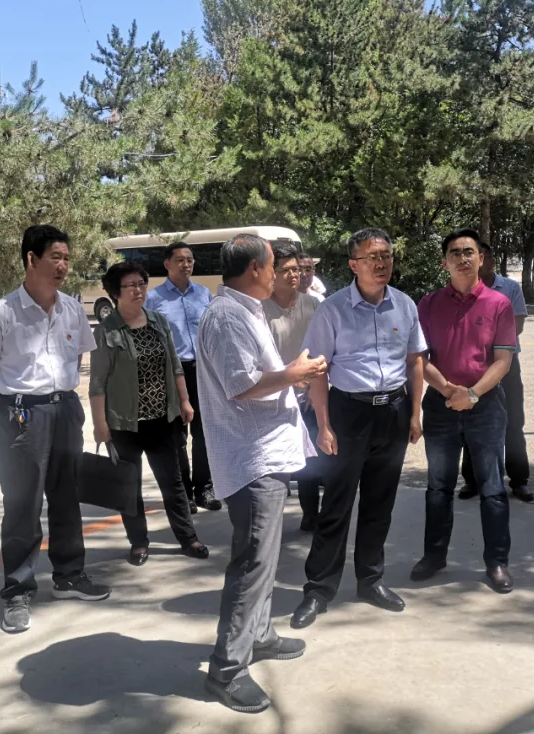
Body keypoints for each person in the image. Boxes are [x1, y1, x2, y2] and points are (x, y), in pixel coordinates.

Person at [197, 234, 328, 713]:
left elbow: (254, 375)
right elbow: (241, 385)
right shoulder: (227, 316)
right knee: (252, 563)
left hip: (267, 453)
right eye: (273, 265)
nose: (279, 273)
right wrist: (294, 374)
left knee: (265, 559)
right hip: (252, 459)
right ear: (255, 268)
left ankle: (260, 634)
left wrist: (292, 373)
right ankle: (227, 669)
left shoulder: (245, 310)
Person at [0, 225, 111, 635]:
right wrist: (13, 407)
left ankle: (69, 575)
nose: (63, 266)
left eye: (66, 258)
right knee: (22, 504)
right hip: (21, 415)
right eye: (55, 257)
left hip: (65, 409)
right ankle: (17, 590)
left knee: (67, 497)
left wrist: (60, 399)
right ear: (31, 259)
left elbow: (78, 359)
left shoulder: (71, 309)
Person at [291, 228, 427, 629]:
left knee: (379, 505)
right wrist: (324, 425)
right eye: (372, 257)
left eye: (386, 255)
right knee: (336, 505)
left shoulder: (404, 305)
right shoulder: (332, 309)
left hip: (393, 412)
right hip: (349, 413)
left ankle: (371, 580)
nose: (381, 263)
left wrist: (415, 413)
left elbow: (415, 360)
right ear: (354, 265)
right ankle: (318, 590)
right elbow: (318, 370)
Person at [412, 231, 518, 593]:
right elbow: (419, 357)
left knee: (492, 487)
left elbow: (503, 361)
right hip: (441, 405)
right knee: (438, 486)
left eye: (469, 252)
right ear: (445, 262)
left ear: (480, 259)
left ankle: (497, 562)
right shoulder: (428, 304)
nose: (462, 258)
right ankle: (434, 556)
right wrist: (448, 390)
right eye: (454, 253)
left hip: (485, 405)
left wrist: (471, 394)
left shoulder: (499, 304)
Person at [89, 260, 209, 566]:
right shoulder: (105, 331)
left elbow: (175, 365)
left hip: (162, 419)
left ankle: (188, 538)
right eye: (130, 285)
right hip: (124, 423)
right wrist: (100, 424)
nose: (138, 290)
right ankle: (139, 542)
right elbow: (97, 383)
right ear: (116, 292)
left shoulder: (158, 321)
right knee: (129, 487)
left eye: (142, 284)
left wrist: (185, 401)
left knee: (174, 483)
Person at [145, 242, 221, 511]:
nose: (186, 264)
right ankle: (184, 493)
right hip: (171, 374)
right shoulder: (153, 299)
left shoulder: (203, 294)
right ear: (167, 264)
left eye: (189, 259)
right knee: (177, 436)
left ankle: (204, 489)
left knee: (204, 433)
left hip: (202, 371)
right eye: (180, 260)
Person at [460, 242, 533, 502]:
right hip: (475, 366)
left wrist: (484, 338)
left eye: (484, 256)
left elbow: (517, 326)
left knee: (513, 423)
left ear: (490, 260)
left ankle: (519, 481)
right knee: (472, 422)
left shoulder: (510, 288)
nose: (479, 262)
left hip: (506, 365)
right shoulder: (464, 289)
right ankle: (472, 480)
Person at [262, 241, 322, 531]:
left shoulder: (313, 305)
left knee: (310, 460)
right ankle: (268, 523)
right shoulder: (259, 310)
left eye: (297, 269)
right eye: (286, 270)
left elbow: (324, 350)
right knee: (275, 464)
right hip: (273, 397)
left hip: (310, 395)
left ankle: (311, 514)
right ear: (271, 273)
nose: (294, 275)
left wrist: (315, 388)